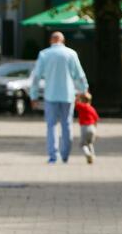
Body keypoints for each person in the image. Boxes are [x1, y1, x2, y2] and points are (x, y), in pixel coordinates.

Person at [30, 31, 88, 164]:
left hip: (50, 95)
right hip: (68, 95)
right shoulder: (71, 54)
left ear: (51, 40)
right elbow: (79, 75)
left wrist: (33, 96)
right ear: (63, 41)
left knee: (51, 126)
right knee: (66, 125)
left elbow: (36, 77)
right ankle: (65, 156)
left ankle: (53, 156)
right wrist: (84, 90)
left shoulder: (44, 54)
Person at [74, 92, 99, 164]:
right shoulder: (92, 109)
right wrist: (95, 129)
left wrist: (77, 96)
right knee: (90, 143)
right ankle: (93, 155)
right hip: (92, 128)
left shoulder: (82, 107)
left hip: (84, 127)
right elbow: (96, 119)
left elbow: (75, 103)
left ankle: (88, 154)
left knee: (83, 144)